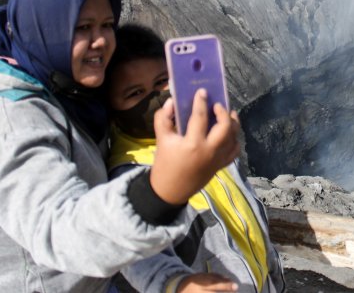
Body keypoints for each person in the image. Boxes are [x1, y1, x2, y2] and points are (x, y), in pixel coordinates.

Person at [0, 0, 240, 293]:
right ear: (46, 28)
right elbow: (62, 232)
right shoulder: (1, 123)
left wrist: (170, 280)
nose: (100, 41)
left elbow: (102, 216)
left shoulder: (67, 94)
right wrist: (162, 190)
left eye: (107, 24)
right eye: (82, 27)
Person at [105, 24, 285, 293]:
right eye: (135, 93)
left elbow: (249, 223)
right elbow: (138, 257)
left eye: (161, 82)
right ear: (111, 106)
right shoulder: (131, 177)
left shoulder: (207, 143)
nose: (157, 98)